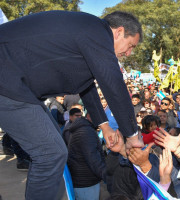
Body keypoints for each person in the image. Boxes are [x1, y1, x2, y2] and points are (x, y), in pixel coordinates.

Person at [0, 10, 143, 199]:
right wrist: (132, 135)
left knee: (54, 148)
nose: (129, 53)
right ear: (118, 32)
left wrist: (105, 126)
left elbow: (87, 86)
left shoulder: (87, 33)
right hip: (7, 81)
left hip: (15, 85)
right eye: (131, 45)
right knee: (51, 154)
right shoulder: (98, 32)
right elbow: (113, 83)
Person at [67, 114, 106, 200]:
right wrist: (106, 176)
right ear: (89, 116)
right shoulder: (86, 131)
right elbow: (93, 158)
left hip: (83, 181)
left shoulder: (83, 129)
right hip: (86, 182)